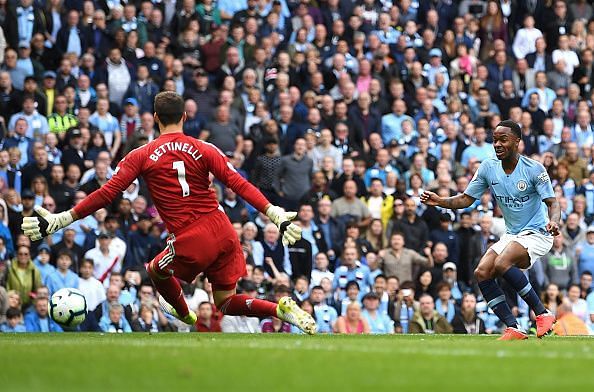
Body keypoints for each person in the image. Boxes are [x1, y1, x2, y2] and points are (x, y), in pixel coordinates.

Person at [22, 91, 316, 335]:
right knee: (225, 302)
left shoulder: (141, 154)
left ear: (156, 118)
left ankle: (185, 315)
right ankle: (279, 309)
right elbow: (238, 183)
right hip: (224, 229)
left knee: (155, 269)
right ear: (184, 117)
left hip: (192, 235)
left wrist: (63, 218)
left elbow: (108, 193)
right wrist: (274, 213)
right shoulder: (205, 147)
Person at [421, 120, 560, 340]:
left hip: (538, 232)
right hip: (513, 234)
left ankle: (542, 313)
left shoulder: (534, 169)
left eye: (503, 139)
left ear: (517, 141)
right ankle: (513, 328)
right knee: (482, 272)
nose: (497, 144)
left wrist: (554, 221)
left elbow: (553, 202)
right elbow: (466, 199)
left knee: (502, 263)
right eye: (494, 140)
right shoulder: (488, 167)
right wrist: (440, 201)